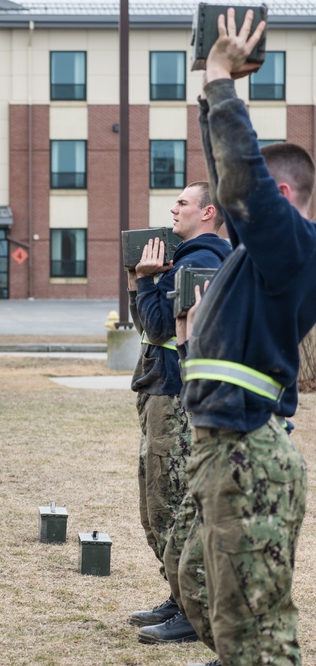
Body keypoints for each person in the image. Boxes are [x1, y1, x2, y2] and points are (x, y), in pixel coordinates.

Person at [181, 9, 316, 665]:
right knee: (215, 607)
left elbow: (239, 174)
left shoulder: (292, 243)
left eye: (262, 191)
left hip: (250, 454)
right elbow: (228, 168)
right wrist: (209, 91)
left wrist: (220, 80)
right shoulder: (260, 253)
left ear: (281, 192)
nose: (239, 205)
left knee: (261, 638)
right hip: (225, 450)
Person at [125, 182, 230, 645]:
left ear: (207, 212)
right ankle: (180, 595)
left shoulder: (201, 260)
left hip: (177, 397)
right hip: (161, 391)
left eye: (182, 202)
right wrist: (144, 280)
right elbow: (149, 324)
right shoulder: (185, 258)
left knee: (171, 507)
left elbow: (163, 325)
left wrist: (145, 281)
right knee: (157, 507)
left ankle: (195, 608)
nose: (173, 208)